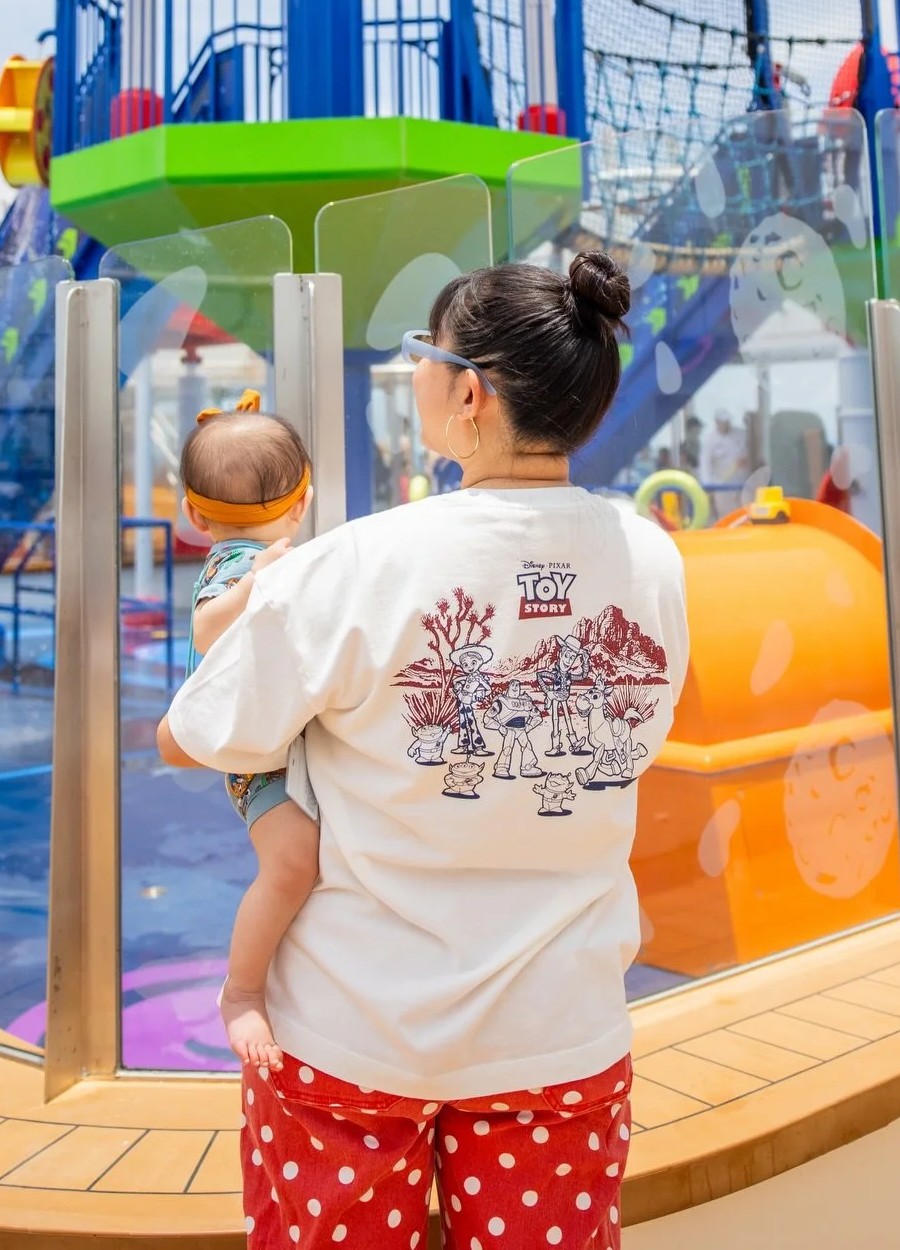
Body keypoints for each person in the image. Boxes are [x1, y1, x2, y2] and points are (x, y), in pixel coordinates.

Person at [159, 254, 689, 1248]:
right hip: (561, 1029)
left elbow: (194, 736)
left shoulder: (362, 560)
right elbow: (634, 740)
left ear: (472, 393)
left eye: (421, 356)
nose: (413, 378)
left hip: (355, 1033)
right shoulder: (651, 556)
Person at [173, 391, 317, 1070]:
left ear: (193, 513)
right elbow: (206, 627)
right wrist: (255, 582)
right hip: (255, 757)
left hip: (287, 743)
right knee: (293, 862)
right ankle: (242, 989)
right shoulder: (235, 565)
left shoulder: (290, 560)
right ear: (302, 501)